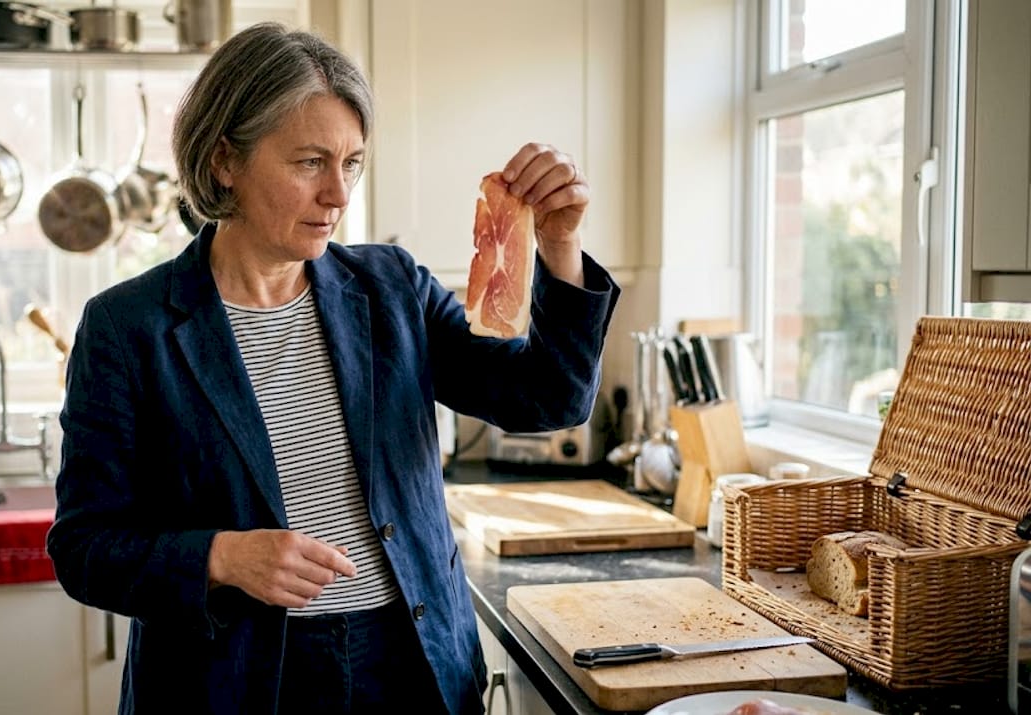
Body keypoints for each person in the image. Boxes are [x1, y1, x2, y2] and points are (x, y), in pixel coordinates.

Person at [46, 21, 620, 715]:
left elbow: (549, 397)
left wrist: (560, 241)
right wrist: (223, 556)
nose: (339, 195)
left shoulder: (391, 287)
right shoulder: (128, 325)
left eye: (351, 163)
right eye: (309, 162)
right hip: (232, 679)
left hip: (410, 664)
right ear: (225, 159)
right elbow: (83, 547)